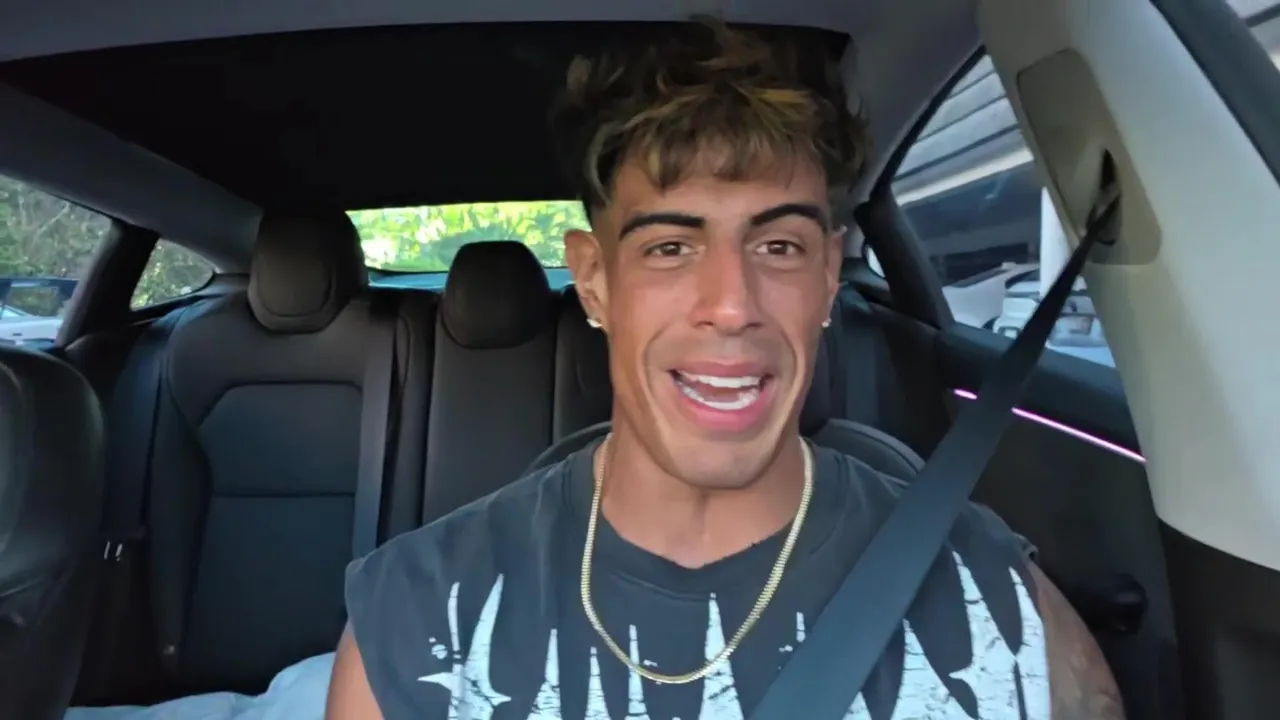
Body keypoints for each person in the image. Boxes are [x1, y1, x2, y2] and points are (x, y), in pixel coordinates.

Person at [326, 19, 1124, 720]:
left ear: (828, 276)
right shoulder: (416, 620)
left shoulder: (998, 603)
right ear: (594, 280)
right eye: (670, 248)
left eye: (779, 246)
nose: (733, 305)